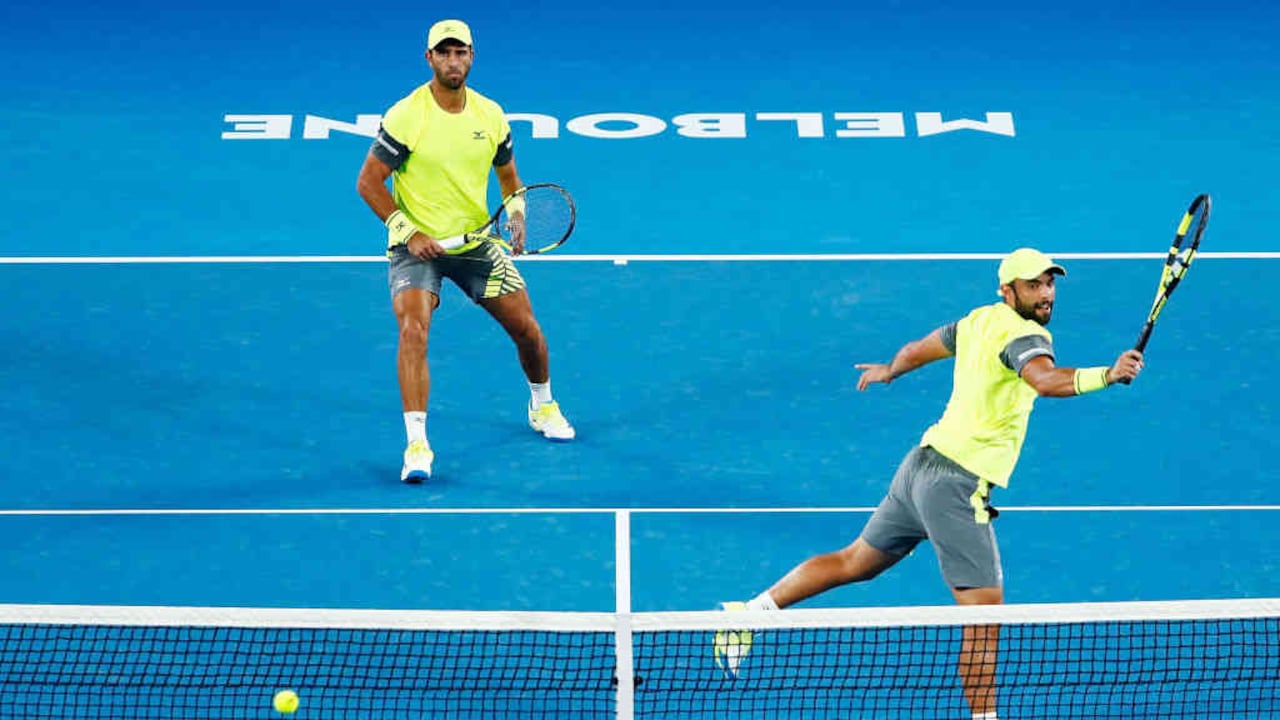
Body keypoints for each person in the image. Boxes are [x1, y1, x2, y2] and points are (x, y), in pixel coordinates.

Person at [718, 248, 1144, 720]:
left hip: (921, 466)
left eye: (1049, 283)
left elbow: (918, 348)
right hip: (956, 487)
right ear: (1008, 291)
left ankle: (750, 612)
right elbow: (1045, 381)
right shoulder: (1025, 336)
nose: (1045, 294)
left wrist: (890, 370)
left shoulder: (977, 321)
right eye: (1033, 285)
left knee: (855, 561)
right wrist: (1107, 375)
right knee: (984, 621)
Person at [355, 18, 575, 484]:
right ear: (429, 58)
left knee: (528, 331)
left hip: (475, 243)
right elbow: (368, 182)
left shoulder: (490, 116)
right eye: (444, 52)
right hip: (415, 246)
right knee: (413, 331)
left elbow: (510, 178)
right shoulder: (406, 116)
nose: (453, 61)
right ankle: (417, 444)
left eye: (461, 52)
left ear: (472, 57)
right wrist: (408, 231)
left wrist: (516, 214)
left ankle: (542, 404)